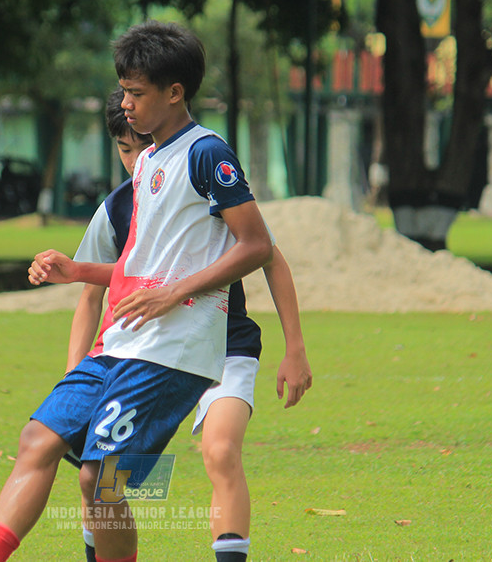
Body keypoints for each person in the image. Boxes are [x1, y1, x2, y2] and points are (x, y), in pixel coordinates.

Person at [0, 20, 273, 562]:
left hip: (171, 351)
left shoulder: (207, 155)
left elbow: (257, 247)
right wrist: (77, 271)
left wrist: (173, 294)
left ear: (175, 93)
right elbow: (140, 266)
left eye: (136, 93)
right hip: (120, 343)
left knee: (101, 479)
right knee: (37, 442)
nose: (124, 104)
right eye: (124, 91)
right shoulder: (148, 160)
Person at [68, 87, 311, 562]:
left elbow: (269, 257)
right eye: (124, 149)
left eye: (142, 146)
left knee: (220, 452)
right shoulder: (115, 210)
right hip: (144, 358)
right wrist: (77, 379)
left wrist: (295, 347)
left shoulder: (205, 183)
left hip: (223, 345)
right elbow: (90, 297)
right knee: (98, 476)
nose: (137, 159)